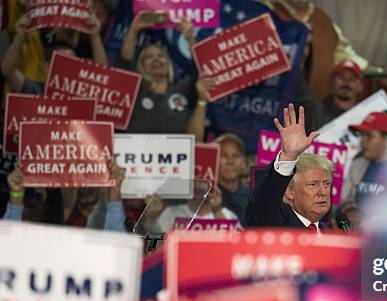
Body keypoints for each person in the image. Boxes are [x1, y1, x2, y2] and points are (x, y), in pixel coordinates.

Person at [263, 0, 387, 99]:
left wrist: (379, 72)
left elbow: (344, 54)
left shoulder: (323, 19)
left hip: (312, 106)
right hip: (268, 106)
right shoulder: (261, 13)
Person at [117, 13, 216, 142]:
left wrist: (190, 38)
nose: (156, 59)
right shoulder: (135, 91)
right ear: (141, 66)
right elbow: (125, 62)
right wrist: (134, 30)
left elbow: (200, 68)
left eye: (161, 55)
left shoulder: (183, 90)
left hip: (175, 160)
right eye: (149, 57)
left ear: (168, 63)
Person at [246, 104, 334, 232]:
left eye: (326, 184)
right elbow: (263, 205)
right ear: (289, 192)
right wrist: (288, 157)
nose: (322, 192)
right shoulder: (275, 225)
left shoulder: (333, 237)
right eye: (313, 184)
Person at [1, 13, 108, 94]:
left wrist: (95, 35)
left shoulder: (83, 95)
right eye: (61, 63)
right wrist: (20, 36)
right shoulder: (37, 90)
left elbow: (103, 75)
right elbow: (7, 70)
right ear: (47, 67)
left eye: (72, 63)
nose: (66, 69)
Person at [342, 112, 387, 209]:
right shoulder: (358, 163)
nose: (363, 141)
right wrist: (349, 211)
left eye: (369, 136)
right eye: (362, 135)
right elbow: (343, 201)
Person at [299, 60, 365, 132]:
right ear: (333, 82)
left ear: (360, 86)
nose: (346, 82)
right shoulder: (315, 111)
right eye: (341, 77)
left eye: (352, 79)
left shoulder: (365, 116)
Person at [153, 183, 240, 233]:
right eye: (194, 184)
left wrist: (217, 211)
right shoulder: (171, 213)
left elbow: (236, 247)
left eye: (202, 184)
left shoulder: (227, 215)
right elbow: (153, 244)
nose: (198, 189)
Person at [214, 133, 250, 226]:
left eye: (236, 156)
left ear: (243, 162)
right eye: (224, 155)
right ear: (214, 159)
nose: (230, 161)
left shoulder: (253, 198)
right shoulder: (205, 197)